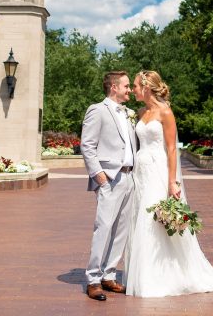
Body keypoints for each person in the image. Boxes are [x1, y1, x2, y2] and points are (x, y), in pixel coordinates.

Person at [123, 70, 213, 297]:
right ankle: (144, 273)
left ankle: (161, 275)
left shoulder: (165, 112)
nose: (133, 90)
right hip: (140, 172)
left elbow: (172, 148)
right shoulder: (140, 112)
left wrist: (173, 182)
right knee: (140, 218)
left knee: (155, 219)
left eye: (135, 86)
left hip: (158, 170)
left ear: (146, 87)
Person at [81, 70, 137, 302]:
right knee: (103, 228)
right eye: (126, 86)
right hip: (110, 178)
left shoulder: (130, 113)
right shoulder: (97, 110)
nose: (129, 90)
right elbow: (87, 145)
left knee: (121, 231)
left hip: (130, 178)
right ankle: (93, 279)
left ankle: (109, 275)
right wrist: (100, 177)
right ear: (114, 87)